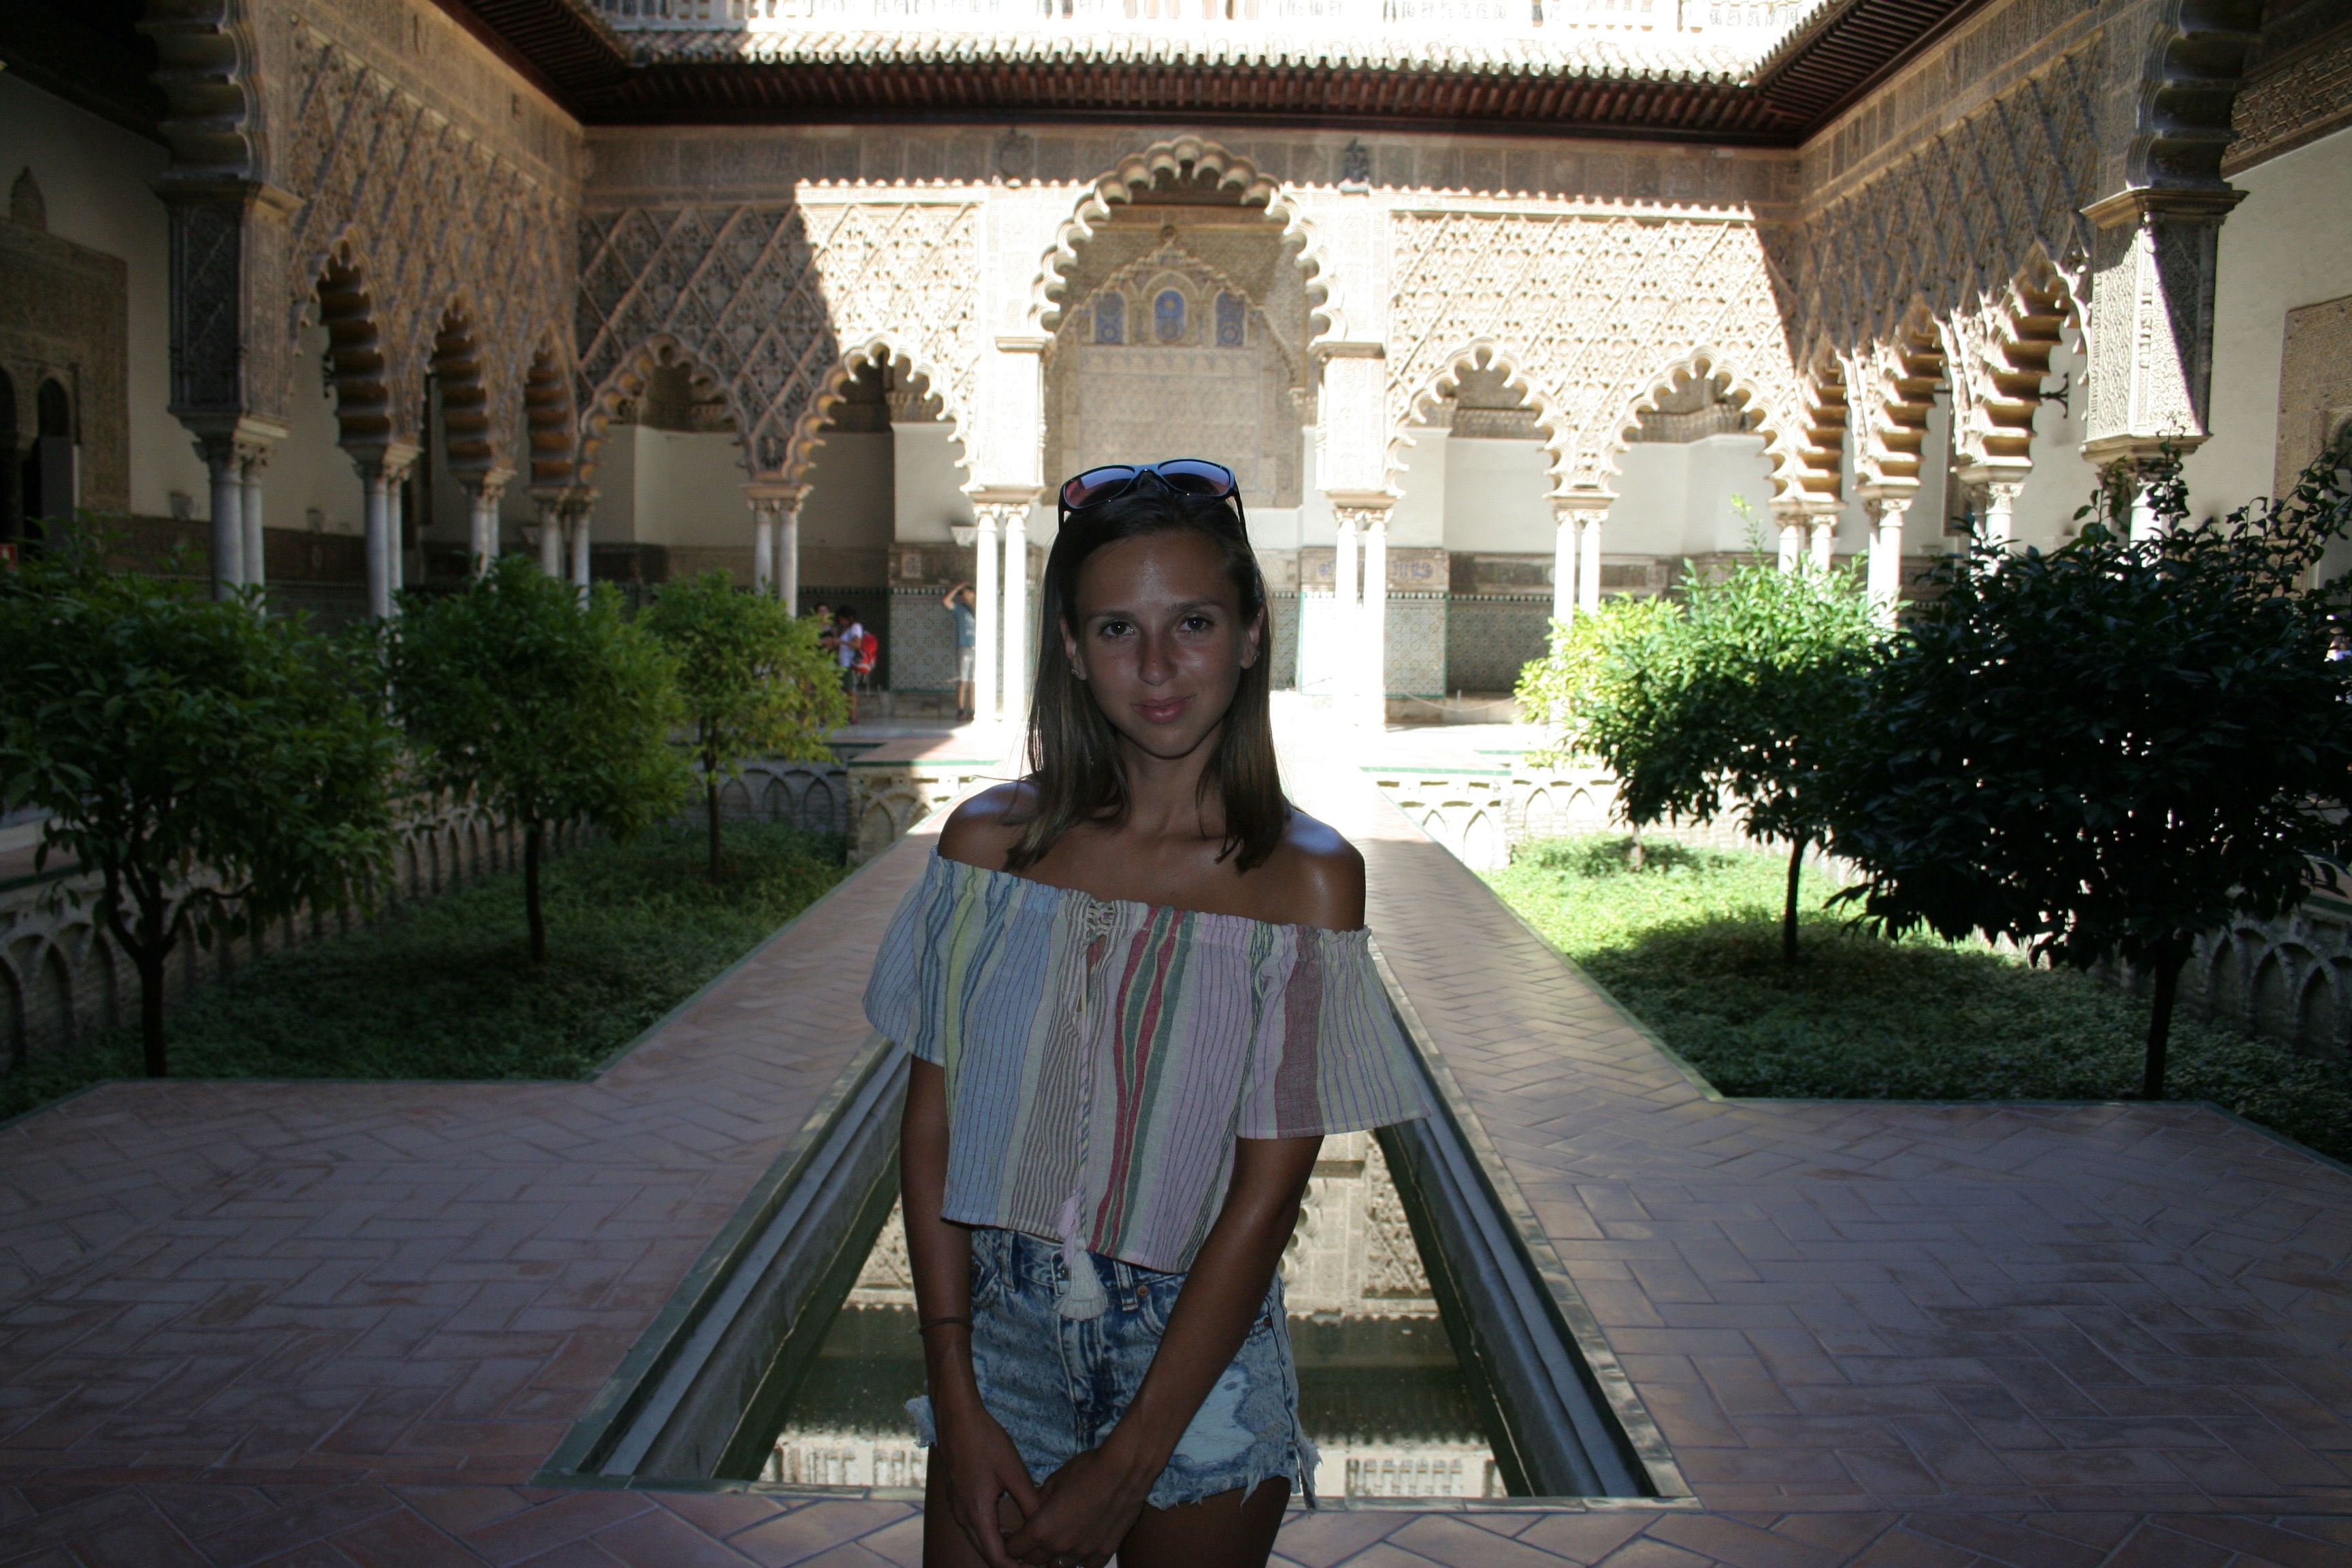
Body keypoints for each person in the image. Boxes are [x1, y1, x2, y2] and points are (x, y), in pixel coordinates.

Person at [864, 459, 1428, 1568]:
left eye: (1195, 622)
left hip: (1197, 1363)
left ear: (1254, 634)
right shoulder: (990, 849)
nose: (1158, 666)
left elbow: (1266, 1199)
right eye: (1117, 627)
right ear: (1071, 649)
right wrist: (958, 1385)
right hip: (1003, 1337)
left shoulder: (1306, 880)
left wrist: (1129, 1461)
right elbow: (929, 1129)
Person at [943, 581, 977, 720]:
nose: (965, 597)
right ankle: (961, 709)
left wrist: (973, 601)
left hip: (978, 647)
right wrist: (958, 588)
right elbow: (946, 601)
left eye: (968, 594)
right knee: (963, 680)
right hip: (964, 646)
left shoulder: (978, 608)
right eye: (964, 595)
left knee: (974, 681)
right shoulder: (960, 609)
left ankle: (973, 709)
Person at [836, 605, 866, 722]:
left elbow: (857, 644)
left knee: (850, 690)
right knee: (847, 690)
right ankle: (849, 714)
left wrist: (840, 641)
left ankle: (852, 716)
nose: (841, 622)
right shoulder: (850, 629)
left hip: (849, 663)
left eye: (842, 619)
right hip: (844, 663)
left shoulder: (855, 627)